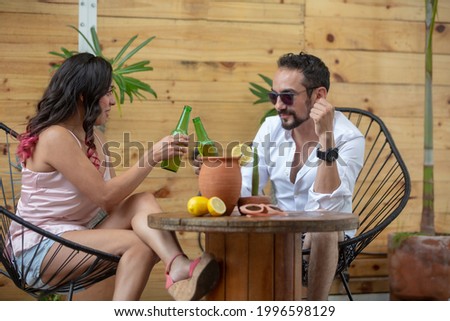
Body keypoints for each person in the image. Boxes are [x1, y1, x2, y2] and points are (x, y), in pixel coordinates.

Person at [9, 52, 219, 301]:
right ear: (83, 96)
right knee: (139, 244)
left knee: (142, 202)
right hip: (39, 249)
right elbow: (105, 197)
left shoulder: (93, 137)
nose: (111, 101)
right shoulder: (56, 137)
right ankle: (171, 273)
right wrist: (150, 157)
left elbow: (115, 200)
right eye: (107, 93)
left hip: (78, 233)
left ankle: (177, 263)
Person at [238, 52, 365, 300]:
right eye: (273, 96)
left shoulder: (348, 137)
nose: (277, 105)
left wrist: (326, 137)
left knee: (324, 228)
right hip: (280, 231)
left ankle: (315, 308)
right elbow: (246, 185)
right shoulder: (270, 128)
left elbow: (328, 210)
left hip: (332, 239)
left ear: (318, 96)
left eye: (287, 96)